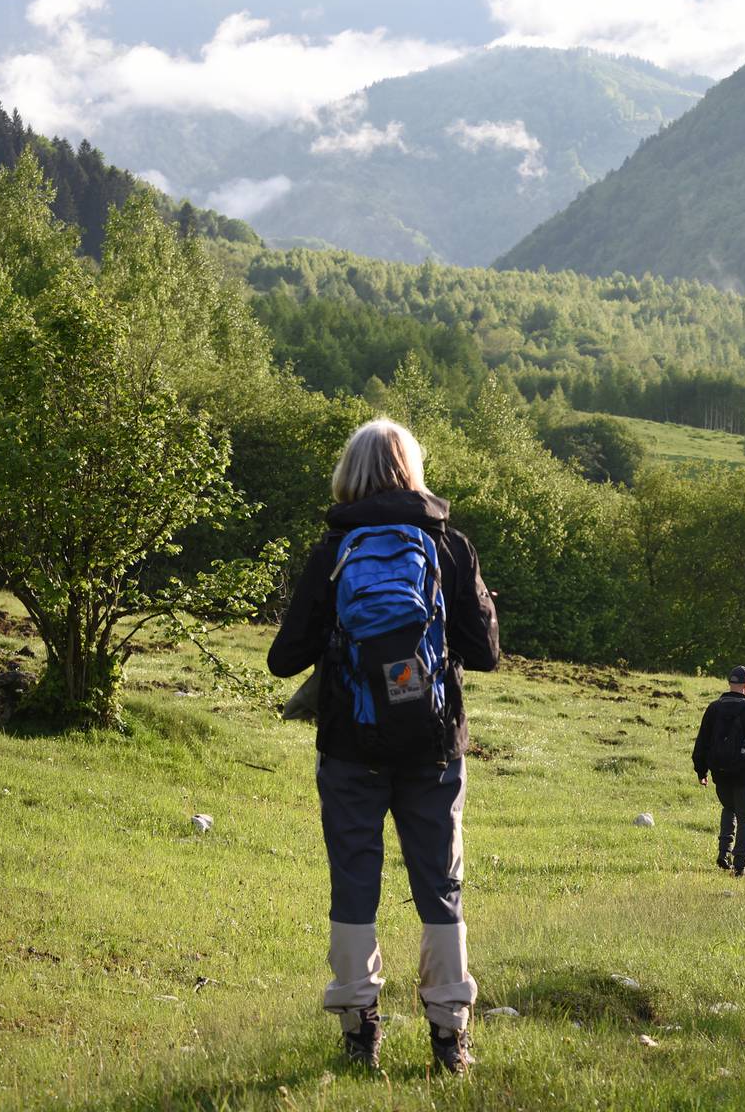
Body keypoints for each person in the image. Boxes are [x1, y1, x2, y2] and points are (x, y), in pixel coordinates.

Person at [268, 418, 500, 1075]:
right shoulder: (449, 546)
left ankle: (357, 1030)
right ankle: (449, 1039)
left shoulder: (332, 551)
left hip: (349, 746)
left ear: (350, 472)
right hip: (432, 746)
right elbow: (487, 655)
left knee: (353, 888)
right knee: (440, 890)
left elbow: (284, 660)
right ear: (413, 469)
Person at [692, 665, 745, 877]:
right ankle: (740, 865)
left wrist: (701, 772)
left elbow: (701, 743)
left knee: (728, 809)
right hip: (744, 775)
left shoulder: (713, 709)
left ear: (730, 684)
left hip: (719, 773)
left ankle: (724, 854)